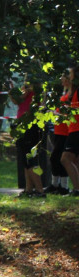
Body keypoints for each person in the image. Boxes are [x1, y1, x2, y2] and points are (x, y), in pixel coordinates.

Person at [10, 81, 44, 198]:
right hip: (22, 124)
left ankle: (40, 190)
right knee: (25, 159)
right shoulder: (25, 89)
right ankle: (28, 189)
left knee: (30, 159)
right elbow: (16, 100)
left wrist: (15, 92)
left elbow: (19, 98)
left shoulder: (36, 90)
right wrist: (13, 91)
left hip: (30, 126)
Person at [47, 70, 75, 195]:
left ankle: (62, 186)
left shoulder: (71, 94)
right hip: (59, 129)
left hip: (66, 130)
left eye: (64, 79)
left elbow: (68, 111)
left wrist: (57, 113)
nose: (61, 81)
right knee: (57, 158)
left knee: (57, 158)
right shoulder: (65, 92)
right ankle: (57, 185)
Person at [59, 65, 79, 197]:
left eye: (70, 74)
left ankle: (77, 189)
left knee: (65, 158)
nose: (69, 77)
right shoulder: (74, 91)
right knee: (75, 161)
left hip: (77, 128)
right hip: (73, 128)